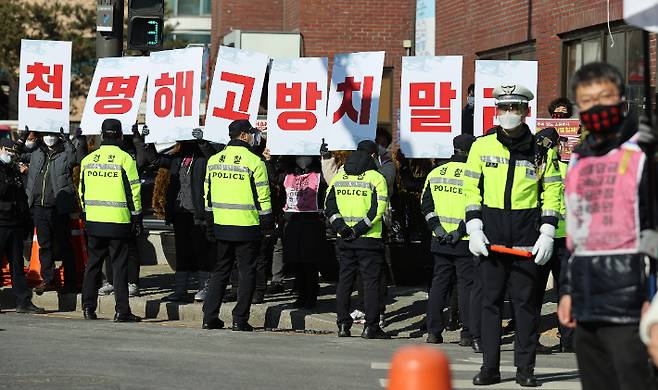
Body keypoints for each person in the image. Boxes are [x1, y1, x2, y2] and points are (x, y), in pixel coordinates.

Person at [557, 62, 656, 390]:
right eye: (586, 101)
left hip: (634, 300)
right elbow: (576, 232)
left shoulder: (643, 153)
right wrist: (568, 291)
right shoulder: (579, 160)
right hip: (587, 297)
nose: (596, 106)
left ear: (621, 99)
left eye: (604, 97)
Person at [464, 84, 562, 386]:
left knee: (527, 308)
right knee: (490, 305)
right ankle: (490, 368)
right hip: (490, 240)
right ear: (496, 111)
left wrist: (547, 232)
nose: (509, 113)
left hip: (527, 242)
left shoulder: (542, 150)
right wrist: (474, 226)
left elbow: (554, 190)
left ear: (526, 112)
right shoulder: (481, 146)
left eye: (515, 108)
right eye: (504, 108)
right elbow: (471, 188)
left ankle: (525, 370)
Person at [201, 119, 273, 331]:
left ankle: (209, 317)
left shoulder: (213, 160)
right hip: (247, 227)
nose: (253, 137)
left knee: (220, 270)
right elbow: (264, 198)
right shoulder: (254, 161)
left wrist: (210, 223)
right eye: (251, 133)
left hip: (222, 225)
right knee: (246, 272)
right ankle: (239, 319)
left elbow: (208, 196)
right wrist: (267, 224)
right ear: (243, 135)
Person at [137, 127, 217, 302]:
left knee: (201, 250)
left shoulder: (203, 157)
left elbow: (214, 159)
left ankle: (205, 287)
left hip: (197, 212)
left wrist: (203, 142)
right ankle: (180, 289)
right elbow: (156, 159)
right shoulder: (176, 157)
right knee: (182, 251)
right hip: (180, 211)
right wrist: (145, 139)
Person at [79, 119, 142, 322]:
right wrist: (137, 217)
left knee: (93, 266)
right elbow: (134, 191)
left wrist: (87, 214)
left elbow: (81, 192)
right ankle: (121, 311)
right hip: (118, 222)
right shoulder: (125, 159)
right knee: (119, 267)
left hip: (94, 222)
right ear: (120, 135)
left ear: (102, 134)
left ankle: (88, 309)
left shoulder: (88, 160)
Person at [325, 140, 389, 339]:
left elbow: (329, 206)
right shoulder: (376, 178)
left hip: (344, 239)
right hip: (369, 239)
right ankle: (371, 327)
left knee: (344, 281)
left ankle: (343, 325)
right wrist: (360, 229)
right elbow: (379, 209)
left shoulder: (339, 177)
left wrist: (342, 228)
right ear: (372, 156)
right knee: (370, 283)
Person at [421, 134, 476, 345]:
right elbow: (476, 207)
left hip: (440, 240)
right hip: (465, 239)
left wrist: (438, 228)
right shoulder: (474, 174)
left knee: (439, 286)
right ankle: (467, 333)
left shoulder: (436, 173)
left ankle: (433, 332)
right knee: (466, 287)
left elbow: (426, 205)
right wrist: (460, 230)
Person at [18, 127, 86, 294]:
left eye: (53, 135)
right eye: (47, 134)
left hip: (59, 207)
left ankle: (69, 282)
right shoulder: (36, 152)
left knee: (65, 245)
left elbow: (75, 159)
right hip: (39, 207)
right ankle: (47, 280)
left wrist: (68, 140)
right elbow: (17, 154)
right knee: (44, 245)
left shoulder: (65, 152)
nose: (49, 137)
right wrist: (23, 138)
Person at [533, 127, 574, 353]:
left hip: (541, 237)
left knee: (534, 291)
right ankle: (568, 341)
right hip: (564, 238)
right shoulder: (569, 170)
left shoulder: (533, 169)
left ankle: (531, 338)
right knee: (566, 291)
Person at [0, 139, 44, 314]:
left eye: (13, 153)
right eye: (8, 151)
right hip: (1, 223)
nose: (10, 155)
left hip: (15, 223)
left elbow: (22, 198)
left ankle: (23, 301)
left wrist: (26, 221)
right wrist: (10, 179)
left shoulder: (13, 169)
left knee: (17, 266)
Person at [281, 155, 326, 309]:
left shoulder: (319, 175)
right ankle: (301, 294)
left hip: (311, 222)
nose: (302, 159)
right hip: (293, 222)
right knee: (297, 263)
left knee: (310, 263)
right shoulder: (287, 175)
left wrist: (325, 158)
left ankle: (311, 296)